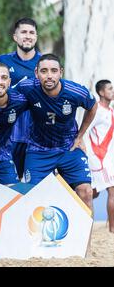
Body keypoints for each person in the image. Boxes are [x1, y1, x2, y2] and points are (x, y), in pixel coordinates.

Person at [15, 54, 97, 209]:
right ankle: (38, 233)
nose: (49, 76)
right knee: (32, 196)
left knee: (86, 192)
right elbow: (4, 95)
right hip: (38, 149)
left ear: (61, 72)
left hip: (69, 148)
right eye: (44, 71)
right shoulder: (26, 87)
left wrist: (80, 136)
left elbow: (93, 106)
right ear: (36, 73)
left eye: (53, 71)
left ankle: (84, 234)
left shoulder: (75, 91)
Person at [0, 18, 42, 179]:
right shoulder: (2, 61)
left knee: (33, 186)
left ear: (36, 36)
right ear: (15, 36)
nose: (27, 36)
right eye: (23, 32)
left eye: (31, 32)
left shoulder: (45, 64)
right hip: (9, 133)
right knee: (9, 186)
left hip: (36, 135)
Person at [84, 79, 114, 232]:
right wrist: (89, 154)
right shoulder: (97, 110)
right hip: (99, 158)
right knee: (112, 190)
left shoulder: (110, 110)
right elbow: (85, 129)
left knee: (93, 194)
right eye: (110, 88)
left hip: (108, 157)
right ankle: (112, 230)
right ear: (101, 92)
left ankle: (78, 205)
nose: (113, 91)